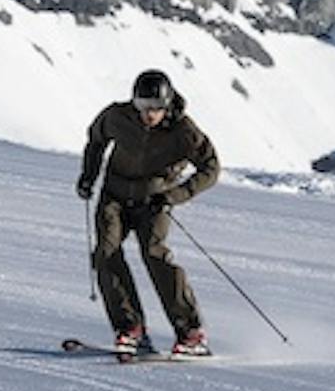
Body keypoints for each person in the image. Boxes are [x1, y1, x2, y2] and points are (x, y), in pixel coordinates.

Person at [74, 67, 223, 356]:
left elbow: (211, 168)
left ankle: (191, 332)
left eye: (155, 108)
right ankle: (131, 329)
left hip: (153, 201)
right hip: (114, 196)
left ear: (166, 106)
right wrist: (88, 177)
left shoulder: (184, 131)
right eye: (142, 106)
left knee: (154, 254)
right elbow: (96, 140)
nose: (148, 114)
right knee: (106, 253)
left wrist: (174, 196)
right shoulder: (117, 117)